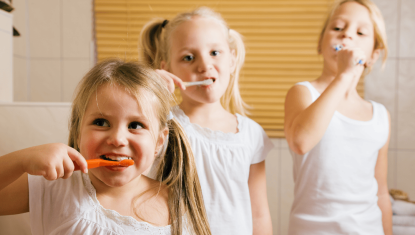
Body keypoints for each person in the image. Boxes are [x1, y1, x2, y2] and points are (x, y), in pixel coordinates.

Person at [0, 59, 211, 235]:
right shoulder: (56, 188)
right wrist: (22, 160)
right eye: (101, 123)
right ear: (77, 131)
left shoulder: (179, 206)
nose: (118, 139)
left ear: (158, 142)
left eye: (135, 125)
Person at [139, 7, 274, 235]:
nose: (204, 65)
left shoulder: (252, 134)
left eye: (214, 53)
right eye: (188, 58)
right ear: (167, 69)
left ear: (232, 59)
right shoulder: (161, 125)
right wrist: (150, 92)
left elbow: (259, 213)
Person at [284, 0, 392, 234]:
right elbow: (300, 142)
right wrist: (343, 76)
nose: (347, 36)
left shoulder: (380, 117)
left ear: (373, 55)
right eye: (337, 28)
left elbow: (381, 192)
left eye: (360, 32)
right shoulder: (303, 93)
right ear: (320, 44)